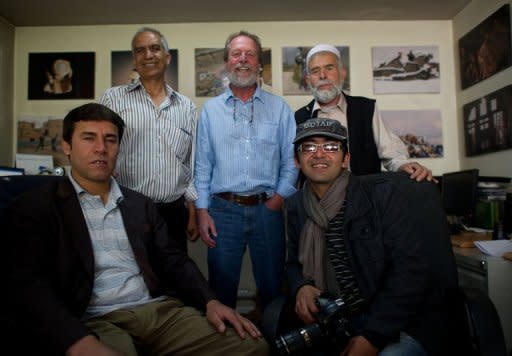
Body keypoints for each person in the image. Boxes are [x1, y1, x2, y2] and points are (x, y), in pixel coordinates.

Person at [6, 103, 268, 356]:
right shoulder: (36, 206)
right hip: (93, 319)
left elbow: (173, 260)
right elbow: (28, 285)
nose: (101, 148)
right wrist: (75, 340)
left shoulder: (139, 204)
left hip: (157, 313)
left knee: (252, 347)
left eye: (110, 139)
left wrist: (211, 301)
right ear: (67, 146)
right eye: (88, 138)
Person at [284, 118, 459, 355]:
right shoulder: (296, 206)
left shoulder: (380, 196)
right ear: (297, 160)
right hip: (335, 321)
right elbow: (292, 262)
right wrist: (301, 286)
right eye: (309, 147)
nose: (319, 154)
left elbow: (410, 271)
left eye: (331, 147)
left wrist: (372, 337)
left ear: (345, 159)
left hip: (398, 321)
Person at [195, 30, 298, 309]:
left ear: (259, 63)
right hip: (222, 212)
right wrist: (202, 211)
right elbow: (203, 164)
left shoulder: (279, 109)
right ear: (227, 63)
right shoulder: (210, 111)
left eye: (250, 54)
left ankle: (273, 343)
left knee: (273, 287)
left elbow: (292, 160)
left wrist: (278, 199)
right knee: (221, 288)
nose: (243, 60)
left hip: (268, 210)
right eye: (236, 54)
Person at [99, 27, 197, 253]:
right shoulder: (112, 99)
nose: (148, 55)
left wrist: (192, 210)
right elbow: (100, 148)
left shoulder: (186, 107)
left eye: (155, 48)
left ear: (167, 57)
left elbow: (190, 163)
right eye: (140, 50)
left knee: (174, 279)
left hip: (174, 213)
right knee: (133, 279)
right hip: (126, 209)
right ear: (134, 59)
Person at [295, 44, 433, 182]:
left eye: (329, 68)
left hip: (365, 198)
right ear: (308, 80)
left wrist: (405, 165)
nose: (323, 76)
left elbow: (392, 153)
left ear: (342, 74)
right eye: (315, 71)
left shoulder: (366, 109)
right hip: (316, 201)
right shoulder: (298, 117)